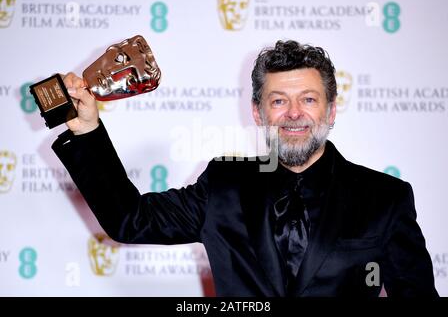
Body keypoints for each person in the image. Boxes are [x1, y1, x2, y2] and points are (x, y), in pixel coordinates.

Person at [52, 40, 438, 297]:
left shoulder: (385, 197)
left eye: (308, 99)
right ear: (258, 112)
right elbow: (129, 220)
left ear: (331, 110)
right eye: (278, 101)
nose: (293, 114)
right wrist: (88, 130)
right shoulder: (224, 184)